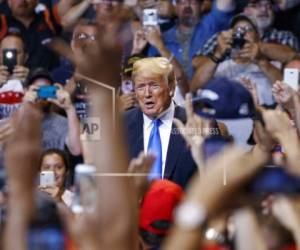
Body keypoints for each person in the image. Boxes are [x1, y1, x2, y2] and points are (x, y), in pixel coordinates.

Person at [123, 57, 198, 188]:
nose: (147, 94)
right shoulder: (121, 124)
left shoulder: (197, 124)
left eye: (154, 85)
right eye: (140, 87)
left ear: (171, 88)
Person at [191, 14, 282, 106]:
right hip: (228, 117)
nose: (242, 34)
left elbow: (287, 90)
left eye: (248, 29)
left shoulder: (271, 66)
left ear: (258, 36)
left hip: (264, 115)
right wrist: (217, 55)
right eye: (237, 30)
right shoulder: (221, 67)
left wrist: (260, 60)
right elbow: (194, 88)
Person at [147, 0, 235, 79]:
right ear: (175, 7)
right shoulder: (162, 38)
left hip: (207, 90)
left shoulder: (211, 24)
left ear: (201, 6)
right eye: (182, 2)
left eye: (193, 2)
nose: (187, 6)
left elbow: (226, 3)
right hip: (174, 92)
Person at [196, 0, 299, 68]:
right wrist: (218, 55)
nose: (264, 10)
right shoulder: (226, 35)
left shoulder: (284, 36)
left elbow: (294, 57)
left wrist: (257, 47)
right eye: (256, 5)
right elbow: (196, 62)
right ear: (245, 10)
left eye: (269, 6)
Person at [23, 68, 82, 156]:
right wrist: (25, 106)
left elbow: (76, 150)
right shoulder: (14, 121)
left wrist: (69, 108)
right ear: (26, 92)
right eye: (37, 90)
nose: (42, 95)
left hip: (53, 168)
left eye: (46, 90)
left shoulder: (62, 122)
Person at [0, 0, 74, 70]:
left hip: (48, 79)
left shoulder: (47, 17)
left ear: (37, 1)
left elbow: (69, 3)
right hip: (10, 78)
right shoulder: (2, 22)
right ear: (8, 2)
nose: (23, 0)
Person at [0, 33, 29, 119]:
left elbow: (47, 110)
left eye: (15, 52)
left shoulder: (37, 77)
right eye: (5, 52)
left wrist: (30, 83)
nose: (10, 56)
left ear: (26, 56)